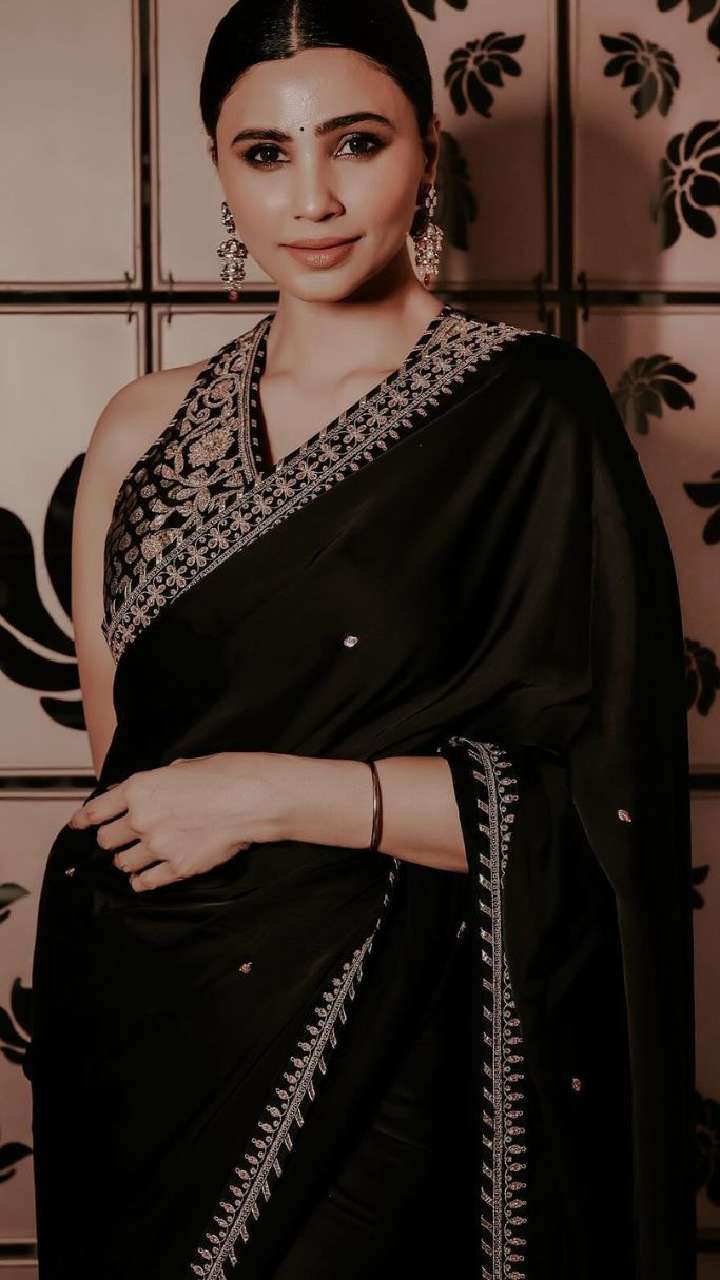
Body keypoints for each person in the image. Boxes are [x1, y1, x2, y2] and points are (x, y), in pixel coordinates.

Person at [28, 2, 696, 1277]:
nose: (313, 197)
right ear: (219, 169)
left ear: (427, 151)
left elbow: (603, 807)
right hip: (153, 1023)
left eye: (357, 141)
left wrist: (271, 793)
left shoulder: (530, 417)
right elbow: (131, 784)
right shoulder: (140, 429)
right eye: (264, 152)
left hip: (401, 1038)